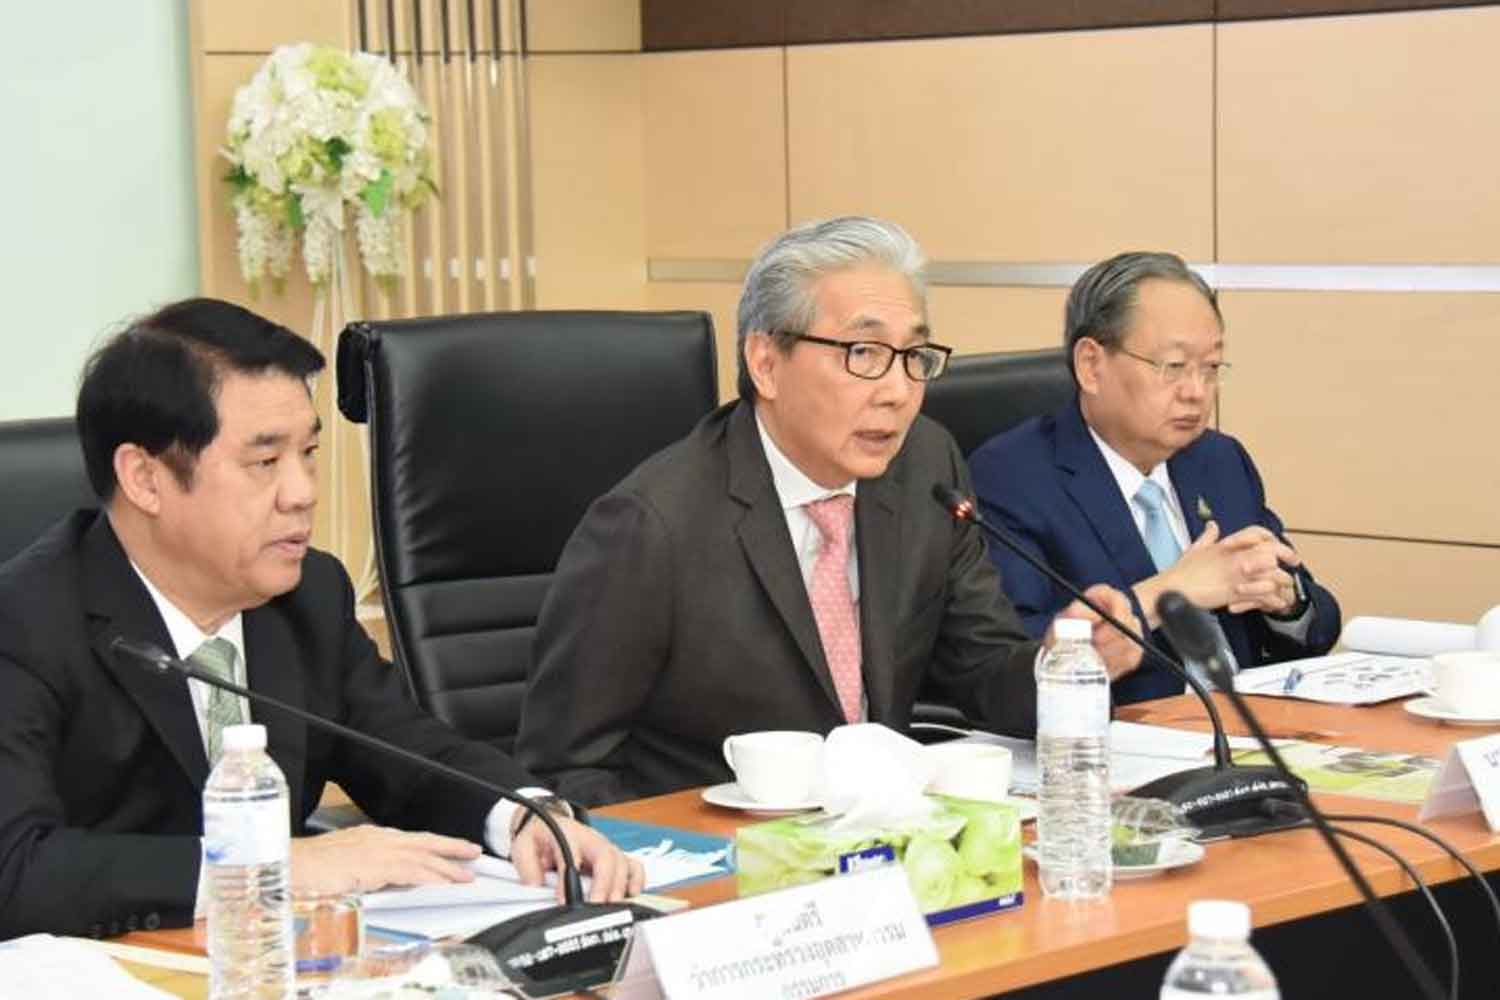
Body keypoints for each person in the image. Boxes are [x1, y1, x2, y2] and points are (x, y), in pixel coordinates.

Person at [0, 298, 641, 940]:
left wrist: (524, 815)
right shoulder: (25, 622)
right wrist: (279, 866)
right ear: (144, 478)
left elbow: (408, 752)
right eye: (265, 461)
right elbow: (17, 871)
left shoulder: (307, 594)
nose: (302, 490)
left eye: (307, 453)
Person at [518, 217, 1142, 806]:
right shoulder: (652, 525)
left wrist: (1064, 662)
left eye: (913, 357)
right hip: (729, 864)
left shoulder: (925, 467)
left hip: (884, 844)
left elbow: (981, 671)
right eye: (864, 353)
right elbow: (565, 769)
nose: (897, 392)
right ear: (766, 363)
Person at [969, 252, 1340, 703]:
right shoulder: (1013, 476)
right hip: (1121, 744)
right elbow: (1014, 661)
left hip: (1254, 734)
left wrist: (1288, 603)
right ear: (1091, 364)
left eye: (1211, 368)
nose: (1196, 392)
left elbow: (1319, 622)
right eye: (1173, 367)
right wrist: (1173, 590)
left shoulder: (1219, 461)